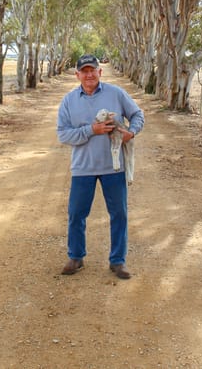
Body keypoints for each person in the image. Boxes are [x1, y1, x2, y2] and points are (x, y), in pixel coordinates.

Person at [56, 54, 145, 280]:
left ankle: (118, 261)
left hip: (113, 167)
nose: (89, 74)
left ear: (100, 72)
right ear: (77, 75)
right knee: (76, 214)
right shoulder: (68, 101)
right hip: (82, 168)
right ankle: (76, 257)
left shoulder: (116, 94)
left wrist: (131, 132)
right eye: (84, 71)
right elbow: (63, 134)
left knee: (119, 214)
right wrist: (90, 131)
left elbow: (137, 114)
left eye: (92, 70)